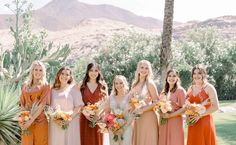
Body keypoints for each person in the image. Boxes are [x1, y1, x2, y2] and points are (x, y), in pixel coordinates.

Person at [49, 67, 83, 145]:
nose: (64, 76)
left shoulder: (73, 89)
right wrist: (56, 118)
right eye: (62, 73)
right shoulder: (52, 90)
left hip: (70, 121)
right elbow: (49, 107)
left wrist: (69, 118)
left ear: (70, 77)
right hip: (55, 122)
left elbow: (78, 106)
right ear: (58, 75)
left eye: (67, 74)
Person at [187, 64, 219, 145]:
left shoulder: (209, 88)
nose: (196, 75)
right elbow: (187, 106)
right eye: (194, 73)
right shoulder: (190, 88)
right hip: (192, 123)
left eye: (199, 73)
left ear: (203, 74)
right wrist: (187, 117)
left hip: (205, 123)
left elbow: (215, 106)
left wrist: (200, 115)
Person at [20, 60, 50, 145]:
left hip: (40, 121)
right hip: (26, 120)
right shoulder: (25, 85)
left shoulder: (45, 86)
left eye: (40, 70)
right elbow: (22, 103)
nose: (38, 72)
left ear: (43, 72)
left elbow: (42, 105)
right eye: (36, 69)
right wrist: (24, 119)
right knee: (27, 142)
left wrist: (30, 120)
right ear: (32, 71)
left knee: (40, 142)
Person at [131, 60, 159, 145]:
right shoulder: (134, 83)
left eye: (146, 68)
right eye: (142, 67)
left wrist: (143, 109)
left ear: (149, 70)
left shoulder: (150, 83)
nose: (144, 70)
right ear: (138, 69)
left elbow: (157, 102)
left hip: (148, 117)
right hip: (137, 118)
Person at [80, 63, 108, 145]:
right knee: (85, 140)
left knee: (98, 141)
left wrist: (99, 115)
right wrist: (86, 114)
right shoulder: (82, 85)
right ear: (87, 72)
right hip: (85, 118)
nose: (93, 73)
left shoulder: (103, 85)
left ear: (99, 72)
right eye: (91, 70)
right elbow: (77, 102)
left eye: (96, 70)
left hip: (98, 118)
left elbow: (106, 102)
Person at [158, 69, 186, 145]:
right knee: (163, 141)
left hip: (175, 121)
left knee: (174, 140)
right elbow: (159, 104)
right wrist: (160, 110)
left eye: (174, 76)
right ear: (166, 78)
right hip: (164, 121)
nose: (171, 78)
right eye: (169, 76)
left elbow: (184, 108)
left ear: (177, 78)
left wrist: (170, 115)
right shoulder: (164, 91)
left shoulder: (180, 90)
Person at [109, 75, 132, 145]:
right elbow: (107, 113)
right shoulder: (111, 97)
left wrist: (123, 127)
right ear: (114, 85)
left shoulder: (130, 97)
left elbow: (133, 113)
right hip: (113, 128)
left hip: (126, 126)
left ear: (124, 83)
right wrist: (111, 124)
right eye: (116, 83)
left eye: (121, 83)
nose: (119, 85)